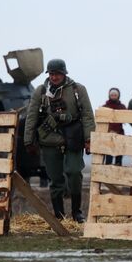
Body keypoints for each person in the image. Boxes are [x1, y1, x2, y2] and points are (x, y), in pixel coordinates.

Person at [24, 59, 95, 222]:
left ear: (64, 73)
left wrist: (89, 138)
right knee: (55, 179)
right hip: (49, 140)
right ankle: (59, 216)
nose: (54, 77)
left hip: (74, 138)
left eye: (57, 73)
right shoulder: (41, 91)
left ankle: (77, 213)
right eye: (51, 74)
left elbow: (87, 116)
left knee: (75, 172)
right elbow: (31, 117)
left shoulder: (78, 90)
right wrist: (29, 141)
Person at [102, 88, 126, 166]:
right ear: (109, 95)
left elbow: (127, 118)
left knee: (119, 158)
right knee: (108, 158)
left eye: (115, 95)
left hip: (120, 134)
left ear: (118, 96)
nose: (113, 96)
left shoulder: (122, 107)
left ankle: (118, 175)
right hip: (108, 135)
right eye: (112, 95)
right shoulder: (105, 107)